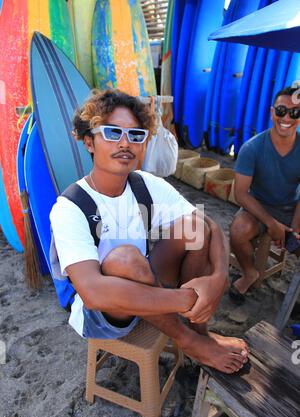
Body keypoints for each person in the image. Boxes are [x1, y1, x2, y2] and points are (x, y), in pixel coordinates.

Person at [50, 89, 248, 374]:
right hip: (104, 312)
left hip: (148, 284)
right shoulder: (71, 206)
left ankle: (200, 330)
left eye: (135, 135)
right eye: (112, 132)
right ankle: (189, 341)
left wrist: (217, 279)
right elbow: (93, 292)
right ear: (88, 142)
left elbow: (210, 225)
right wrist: (187, 298)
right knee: (125, 259)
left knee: (194, 226)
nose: (124, 143)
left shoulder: (143, 184)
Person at [230, 86, 300, 303]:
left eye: (295, 112)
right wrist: (271, 223)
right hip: (259, 206)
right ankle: (249, 272)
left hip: (291, 208)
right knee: (238, 230)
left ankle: (295, 300)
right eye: (281, 110)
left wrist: (295, 229)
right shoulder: (252, 148)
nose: (286, 117)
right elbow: (240, 194)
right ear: (272, 112)